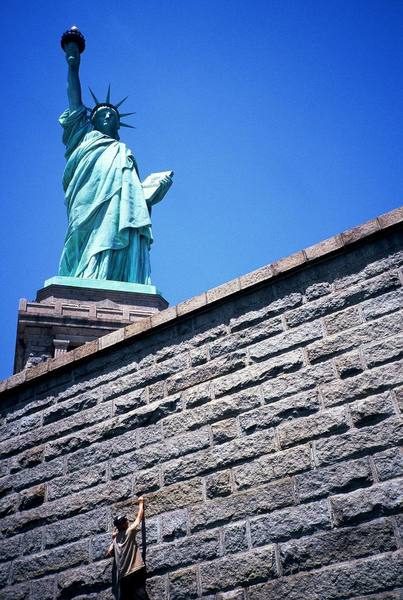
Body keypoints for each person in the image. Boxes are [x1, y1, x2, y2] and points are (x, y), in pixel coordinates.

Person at [59, 39, 172, 283]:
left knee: (114, 230)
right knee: (80, 235)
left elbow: (132, 198)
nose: (108, 116)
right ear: (93, 120)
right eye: (102, 114)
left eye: (112, 115)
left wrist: (151, 190)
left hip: (116, 205)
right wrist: (73, 67)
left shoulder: (123, 151)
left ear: (118, 125)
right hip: (86, 199)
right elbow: (75, 100)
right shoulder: (82, 136)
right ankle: (83, 277)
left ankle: (110, 278)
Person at [107, 496, 146, 600]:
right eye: (125, 521)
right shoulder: (129, 531)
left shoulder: (115, 540)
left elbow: (109, 552)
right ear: (123, 525)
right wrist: (141, 503)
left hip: (123, 577)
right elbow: (138, 519)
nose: (127, 521)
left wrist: (113, 538)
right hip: (135, 570)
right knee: (140, 594)